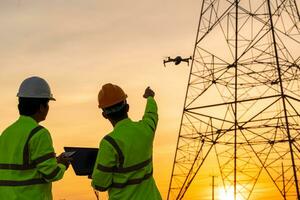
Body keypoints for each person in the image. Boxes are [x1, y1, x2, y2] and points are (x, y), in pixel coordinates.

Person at [0, 76, 70, 200]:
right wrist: (63, 164)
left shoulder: (6, 134)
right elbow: (52, 174)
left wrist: (53, 161)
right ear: (42, 107)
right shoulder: (38, 133)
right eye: (47, 104)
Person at [92, 83, 162, 200]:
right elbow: (151, 114)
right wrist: (150, 98)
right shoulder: (146, 129)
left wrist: (96, 173)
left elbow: (100, 184)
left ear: (104, 115)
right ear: (127, 107)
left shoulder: (109, 143)